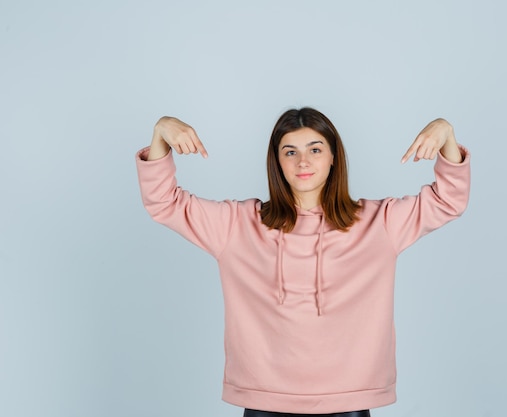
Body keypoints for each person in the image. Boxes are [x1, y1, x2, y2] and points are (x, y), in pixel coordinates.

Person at [136, 107, 470, 417]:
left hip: (349, 401)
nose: (302, 162)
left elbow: (448, 201)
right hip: (263, 399)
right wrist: (161, 132)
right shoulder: (236, 225)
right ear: (277, 162)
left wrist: (445, 133)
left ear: (333, 158)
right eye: (290, 152)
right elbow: (164, 203)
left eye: (315, 149)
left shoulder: (378, 222)